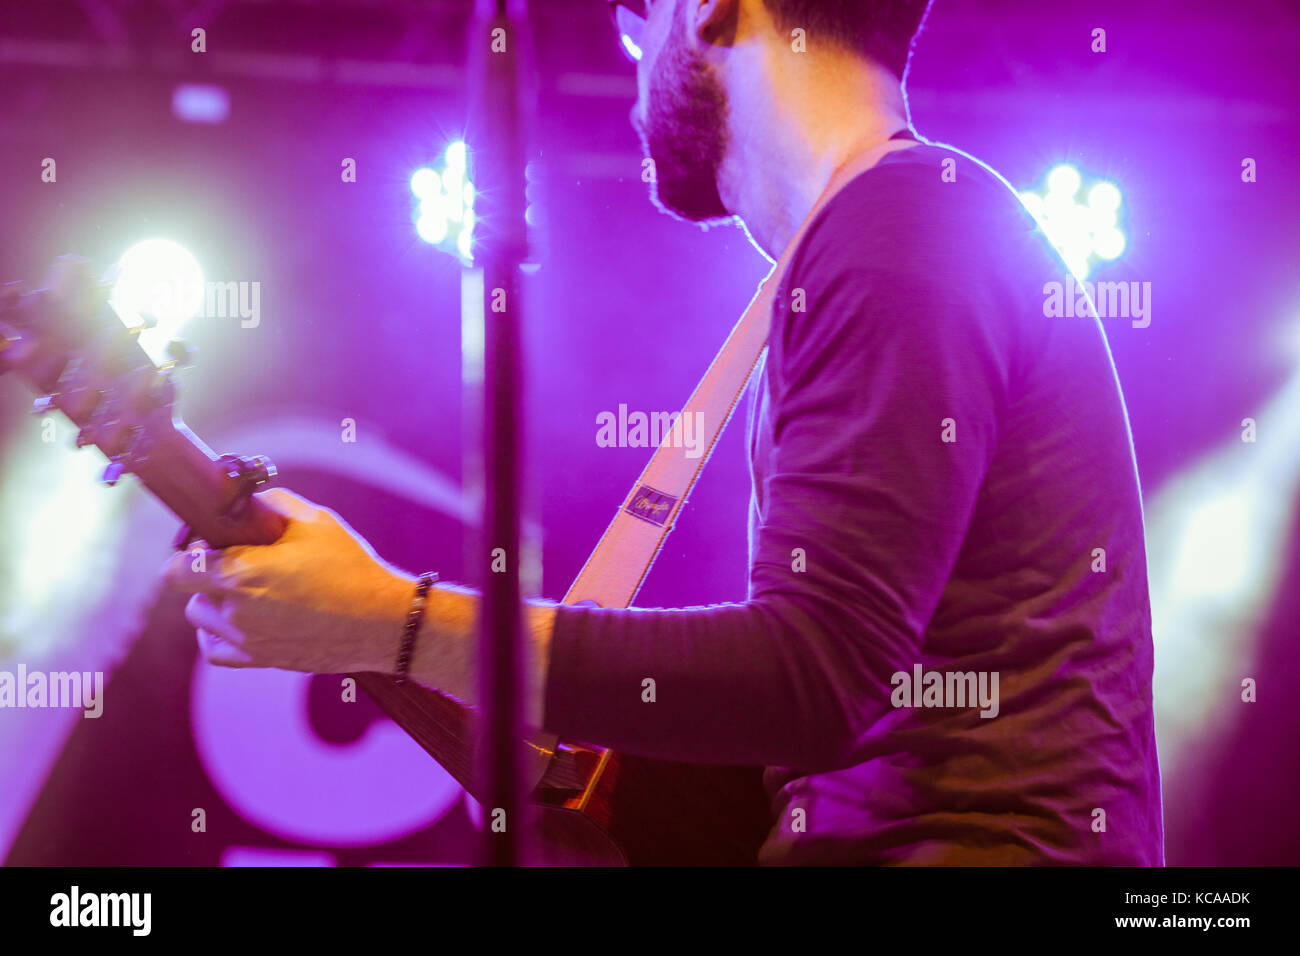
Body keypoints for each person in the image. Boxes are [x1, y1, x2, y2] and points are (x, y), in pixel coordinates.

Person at [164, 0, 1165, 865]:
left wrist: (397, 619)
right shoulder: (878, 239)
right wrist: (372, 631)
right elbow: (823, 725)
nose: (632, 73)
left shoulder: (897, 228)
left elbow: (808, 670)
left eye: (637, 26)